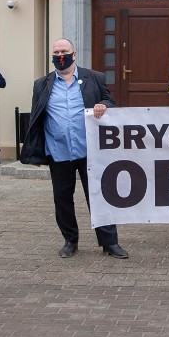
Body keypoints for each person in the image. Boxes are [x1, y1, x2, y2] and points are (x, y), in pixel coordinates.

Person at [19, 38, 130, 260]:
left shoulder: (94, 78)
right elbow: (36, 117)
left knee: (99, 196)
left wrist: (103, 106)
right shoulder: (41, 84)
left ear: (74, 54)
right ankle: (70, 241)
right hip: (58, 151)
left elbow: (110, 101)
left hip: (90, 151)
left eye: (64, 51)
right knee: (62, 199)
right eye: (57, 52)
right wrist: (35, 150)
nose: (61, 55)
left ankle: (110, 243)